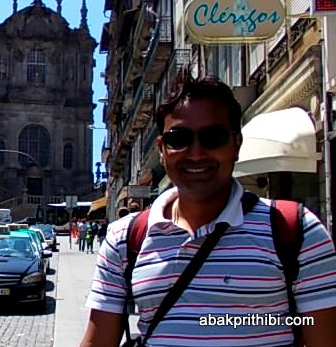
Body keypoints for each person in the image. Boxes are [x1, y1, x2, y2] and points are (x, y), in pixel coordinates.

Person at [79, 71, 336, 347]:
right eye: (179, 138)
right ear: (162, 149)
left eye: (213, 137)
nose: (196, 153)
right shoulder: (124, 239)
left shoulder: (296, 231)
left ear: (236, 144)